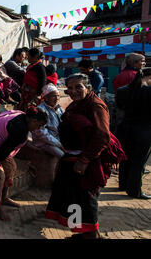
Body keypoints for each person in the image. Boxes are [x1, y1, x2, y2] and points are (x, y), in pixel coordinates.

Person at [46, 73, 125, 239]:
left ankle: (90, 234)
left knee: (86, 197)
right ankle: (81, 231)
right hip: (73, 156)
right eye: (70, 88)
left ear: (88, 88)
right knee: (74, 196)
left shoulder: (96, 106)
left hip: (88, 159)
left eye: (78, 87)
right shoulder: (76, 105)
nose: (74, 91)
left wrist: (84, 160)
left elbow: (102, 136)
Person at [0, 107, 48, 220]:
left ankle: (4, 197)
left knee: (12, 167)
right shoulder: (19, 129)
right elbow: (2, 153)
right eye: (39, 125)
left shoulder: (22, 116)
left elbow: (5, 150)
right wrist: (0, 165)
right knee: (1, 176)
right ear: (33, 120)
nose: (39, 128)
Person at [116, 68, 151, 199]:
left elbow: (119, 107)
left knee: (125, 158)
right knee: (139, 161)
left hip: (125, 128)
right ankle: (134, 190)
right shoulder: (148, 91)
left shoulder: (122, 90)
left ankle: (123, 184)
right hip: (144, 130)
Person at [30, 84, 65, 158]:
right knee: (63, 156)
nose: (57, 98)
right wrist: (59, 144)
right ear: (46, 98)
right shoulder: (41, 111)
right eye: (53, 96)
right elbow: (42, 135)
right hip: (44, 143)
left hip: (57, 139)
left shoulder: (59, 108)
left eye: (58, 96)